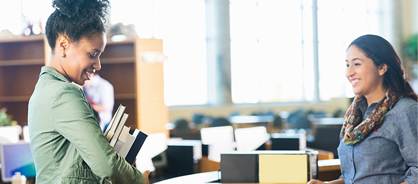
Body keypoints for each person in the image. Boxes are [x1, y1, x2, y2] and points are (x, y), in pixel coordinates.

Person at [27, 0, 149, 183]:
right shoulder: (63, 94)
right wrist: (138, 180)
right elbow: (107, 165)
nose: (98, 65)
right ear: (63, 45)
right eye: (92, 55)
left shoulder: (45, 89)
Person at [309, 34, 418, 184]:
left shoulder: (405, 110)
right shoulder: (354, 115)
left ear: (382, 67)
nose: (349, 72)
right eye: (347, 65)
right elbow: (352, 178)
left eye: (357, 64)